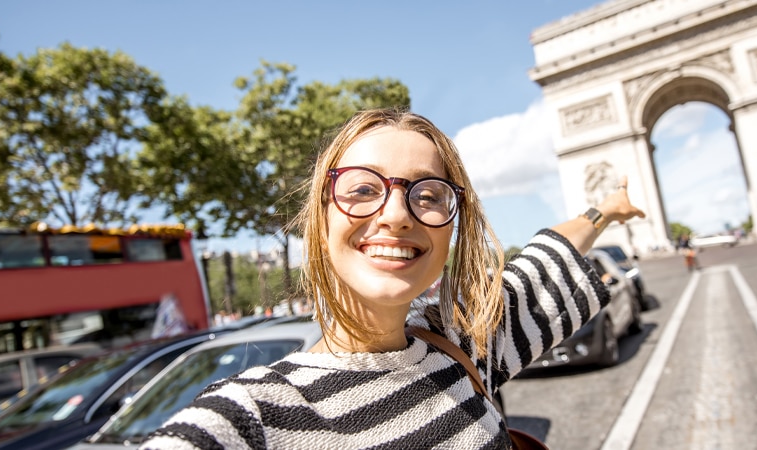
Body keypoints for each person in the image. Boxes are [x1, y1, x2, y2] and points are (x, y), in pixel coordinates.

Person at [140, 108, 644, 449]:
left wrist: (606, 210)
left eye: (428, 195)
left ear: (451, 227)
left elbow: (546, 255)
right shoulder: (251, 417)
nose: (398, 214)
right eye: (363, 189)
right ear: (320, 216)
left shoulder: (463, 340)